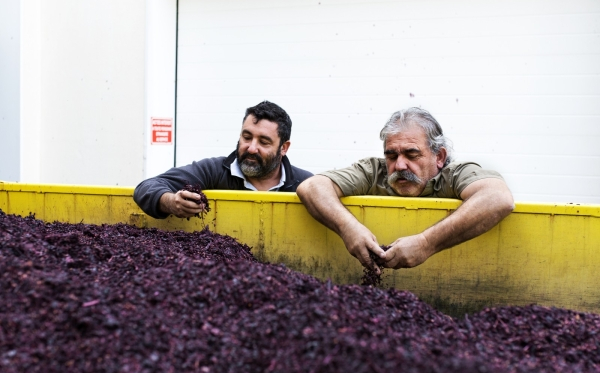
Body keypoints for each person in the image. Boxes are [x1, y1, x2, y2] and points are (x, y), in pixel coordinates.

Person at [297, 107, 514, 272]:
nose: (399, 165)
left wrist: (426, 243)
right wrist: (348, 227)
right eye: (391, 155)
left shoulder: (456, 175)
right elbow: (312, 187)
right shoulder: (373, 171)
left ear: (439, 157)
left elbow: (498, 197)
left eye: (412, 155)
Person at [134, 101, 312, 219]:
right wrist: (170, 202)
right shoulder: (214, 171)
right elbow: (146, 187)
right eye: (246, 137)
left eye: (264, 142)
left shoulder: (305, 185)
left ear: (284, 148)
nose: (251, 148)